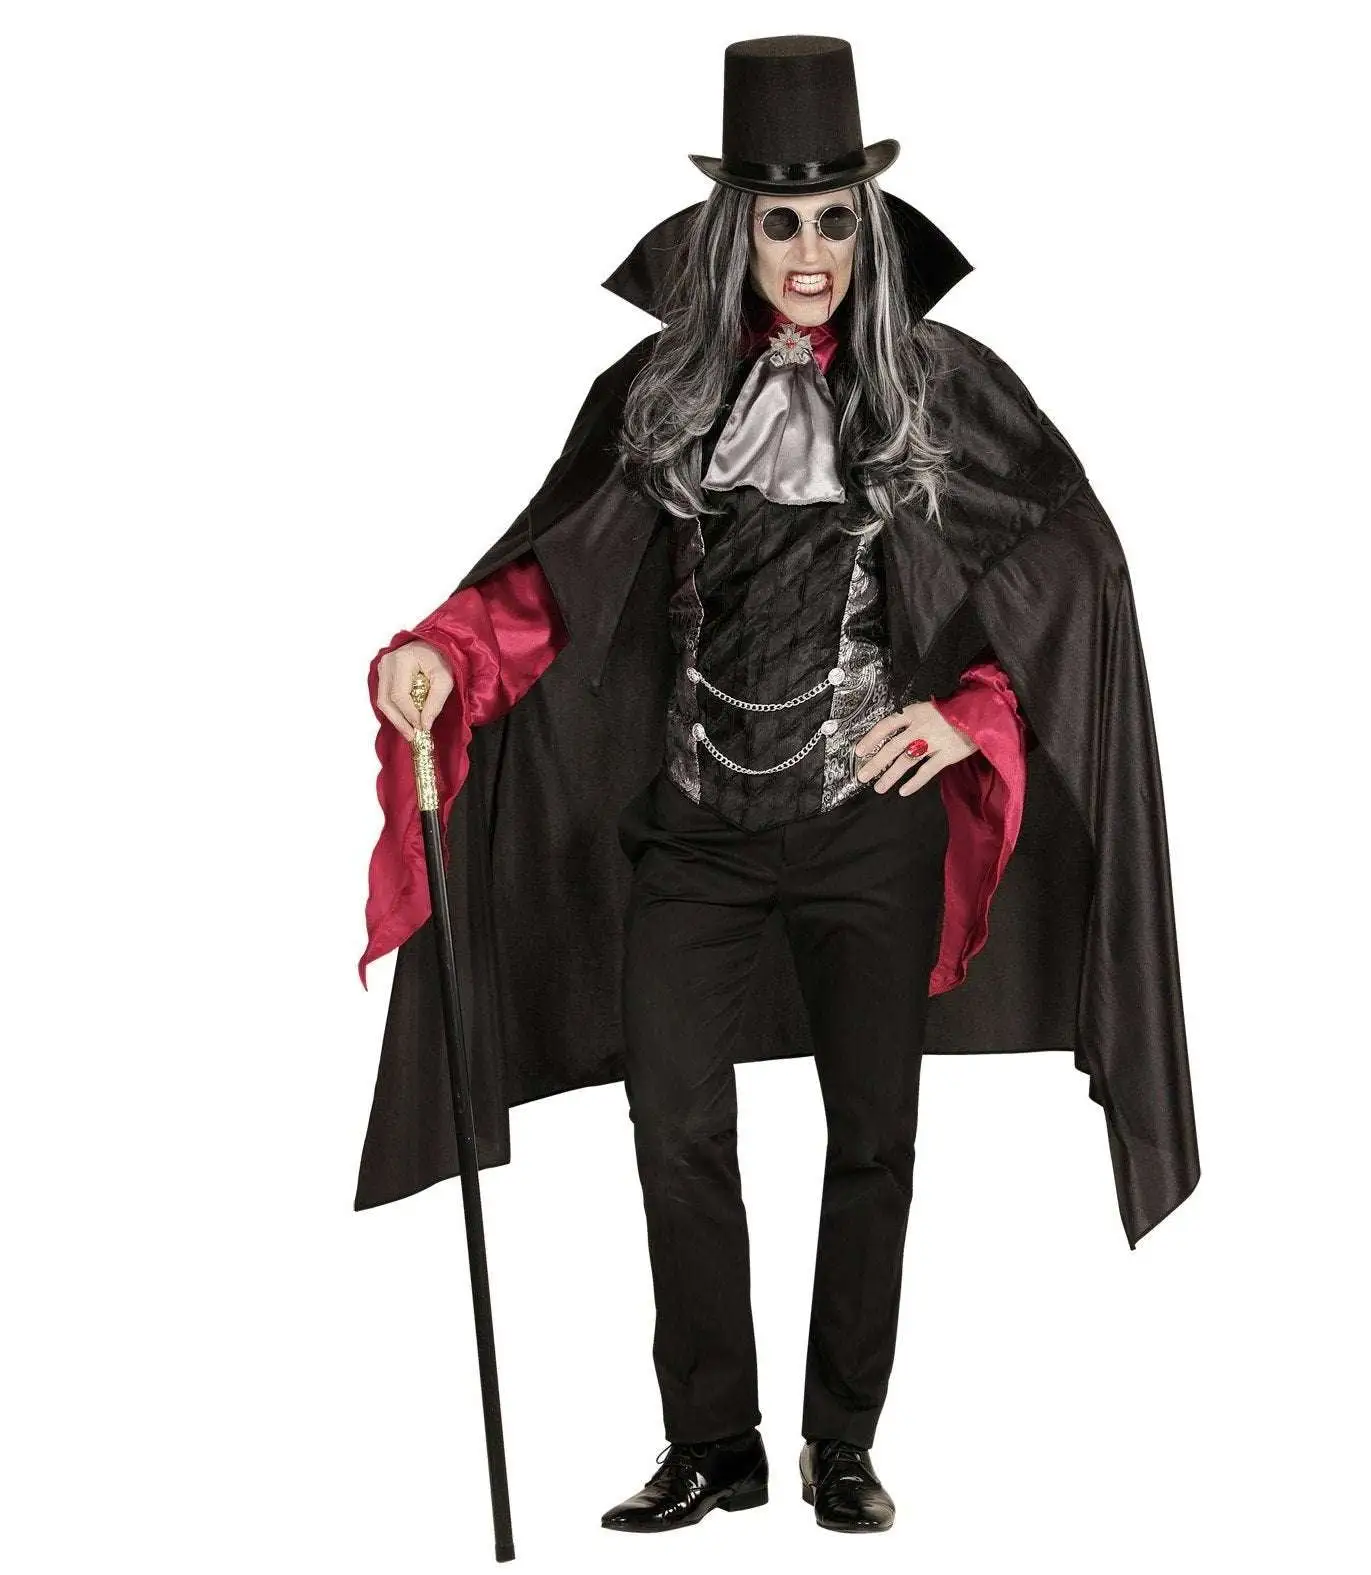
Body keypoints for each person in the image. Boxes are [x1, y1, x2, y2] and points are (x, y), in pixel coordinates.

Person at [357, 34, 1199, 1536]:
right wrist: (440, 655)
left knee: (873, 1140)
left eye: (833, 221)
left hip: (869, 835)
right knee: (675, 1133)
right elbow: (551, 583)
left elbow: (1067, 575)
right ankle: (713, 1444)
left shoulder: (940, 389)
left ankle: (840, 1443)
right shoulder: (662, 397)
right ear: (730, 230)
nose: (809, 254)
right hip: (695, 834)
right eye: (778, 220)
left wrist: (971, 716)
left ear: (866, 228)